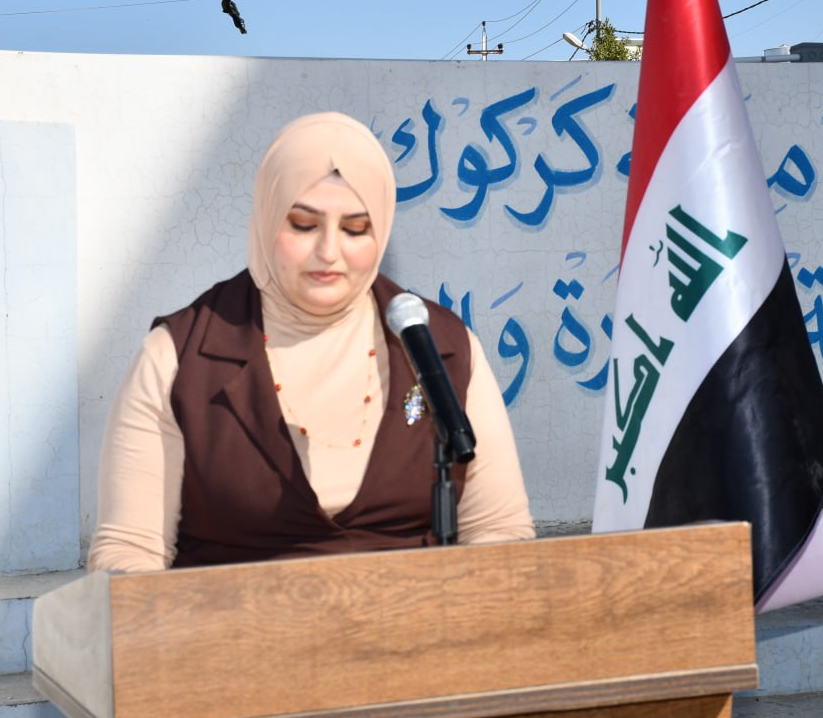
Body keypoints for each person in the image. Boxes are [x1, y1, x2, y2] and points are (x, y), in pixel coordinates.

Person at [88, 112, 534, 572]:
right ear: (267, 218)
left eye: (355, 229)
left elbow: (499, 531)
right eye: (303, 224)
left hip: (418, 616)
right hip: (231, 618)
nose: (328, 252)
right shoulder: (178, 358)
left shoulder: (441, 346)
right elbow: (129, 553)